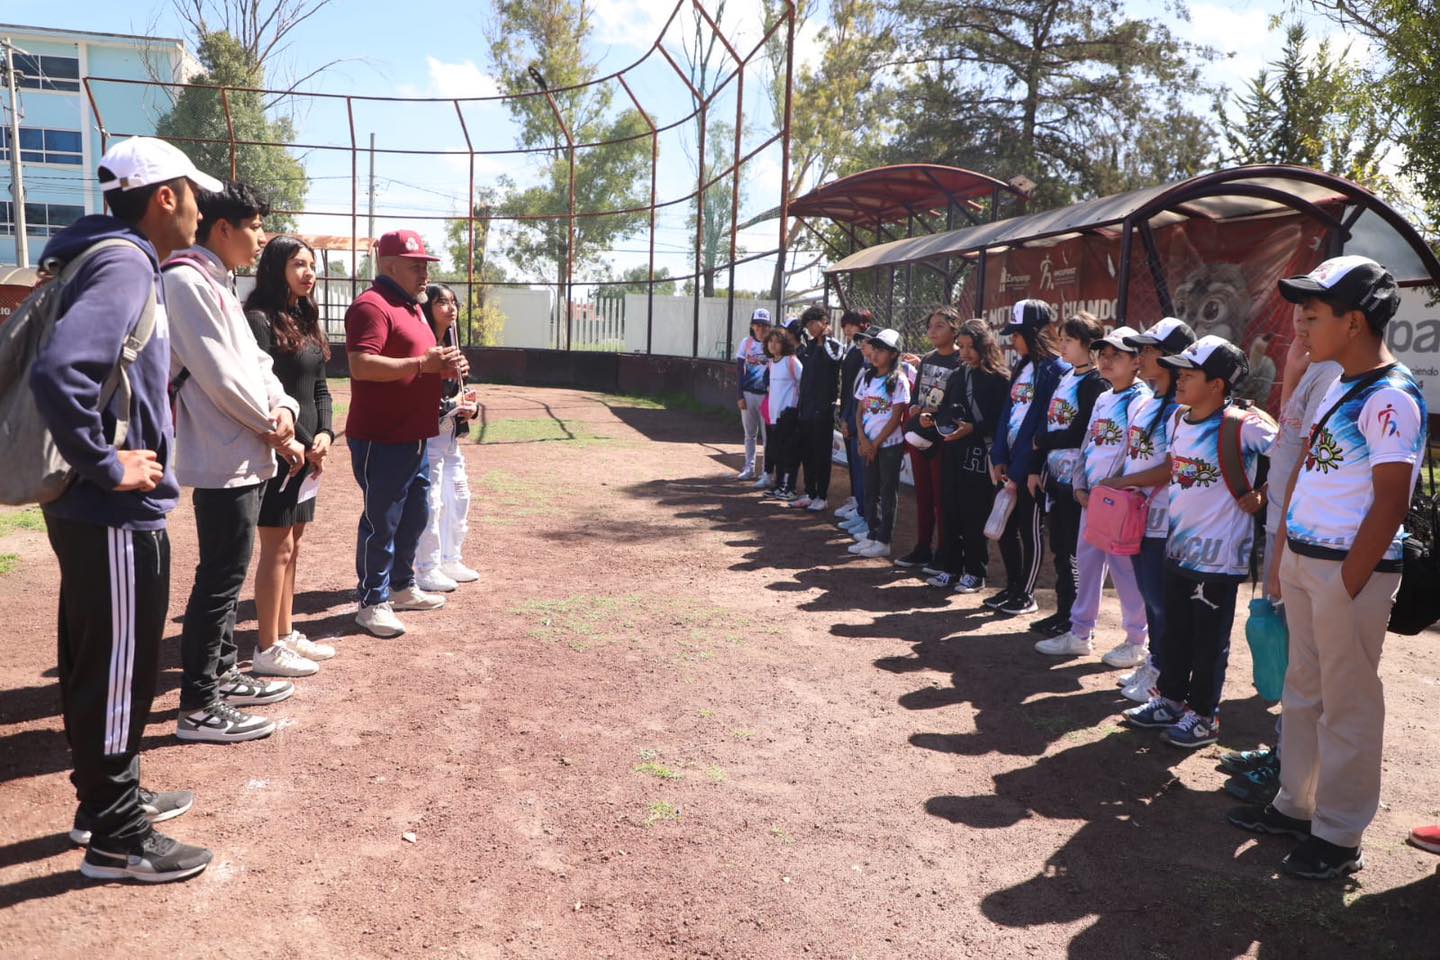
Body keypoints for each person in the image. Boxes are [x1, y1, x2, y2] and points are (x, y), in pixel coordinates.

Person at [30, 135, 217, 881]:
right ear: (162, 196)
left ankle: (104, 803)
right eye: (193, 195)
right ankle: (117, 837)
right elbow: (60, 373)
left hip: (91, 509)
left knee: (95, 656)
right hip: (111, 512)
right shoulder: (125, 260)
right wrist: (106, 464)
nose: (201, 210)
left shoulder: (104, 254)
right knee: (117, 669)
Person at [1230, 256, 1427, 881]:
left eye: (1312, 318)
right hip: (1308, 564)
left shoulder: (1391, 396)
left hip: (1350, 574)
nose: (1300, 331)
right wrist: (1287, 552)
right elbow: (1313, 474)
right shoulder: (1338, 382)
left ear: (1355, 320)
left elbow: (1392, 501)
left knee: (1347, 706)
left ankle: (1340, 837)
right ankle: (1297, 805)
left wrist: (1347, 584)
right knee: (1303, 693)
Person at [167, 180, 305, 740]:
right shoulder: (185, 281)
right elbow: (219, 377)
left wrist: (285, 405)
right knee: (219, 580)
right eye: (251, 227)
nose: (258, 238)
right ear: (221, 229)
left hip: (243, 451)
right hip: (222, 454)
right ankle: (198, 705)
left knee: (225, 572)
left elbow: (256, 364)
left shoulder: (216, 281)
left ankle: (222, 674)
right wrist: (277, 430)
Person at [1120, 335, 1276, 749]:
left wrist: (1263, 493)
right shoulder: (1177, 418)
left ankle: (1204, 716)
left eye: (1189, 375)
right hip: (1178, 549)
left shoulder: (1244, 425)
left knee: (1208, 642)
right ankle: (1170, 701)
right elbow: (1174, 465)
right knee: (1174, 633)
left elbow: (1293, 455)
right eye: (1180, 373)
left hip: (1220, 558)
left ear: (1218, 385)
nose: (1180, 380)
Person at [345, 230, 468, 638]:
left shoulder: (413, 307)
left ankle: (400, 586)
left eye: (425, 266)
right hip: (381, 436)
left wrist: (443, 369)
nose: (423, 273)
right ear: (388, 264)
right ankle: (372, 601)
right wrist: (421, 364)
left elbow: (421, 362)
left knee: (416, 514)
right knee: (383, 521)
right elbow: (362, 365)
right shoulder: (371, 305)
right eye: (416, 265)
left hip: (415, 434)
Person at [244, 236, 338, 673]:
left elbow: (319, 387)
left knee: (294, 544)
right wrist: (300, 440)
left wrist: (325, 433)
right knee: (276, 548)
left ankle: (285, 633)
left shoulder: (305, 317)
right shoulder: (258, 320)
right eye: (299, 264)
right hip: (281, 450)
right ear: (276, 267)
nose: (308, 272)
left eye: (312, 265)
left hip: (308, 453)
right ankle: (267, 648)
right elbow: (266, 392)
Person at [1037, 326, 1152, 664]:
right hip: (1092, 497)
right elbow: (1088, 445)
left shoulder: (1140, 399)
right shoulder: (1104, 396)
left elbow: (1132, 451)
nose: (1106, 359)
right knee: (1086, 565)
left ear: (1137, 362)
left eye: (1117, 354)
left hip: (1120, 501)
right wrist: (1078, 484)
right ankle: (1080, 632)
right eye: (1103, 353)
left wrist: (1110, 487)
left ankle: (1136, 640)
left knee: (1124, 571)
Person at [1104, 317, 1197, 703]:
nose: (1141, 356)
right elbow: (1133, 456)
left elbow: (1175, 464)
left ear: (1173, 358)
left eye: (1148, 349)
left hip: (1166, 522)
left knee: (1162, 601)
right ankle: (1156, 663)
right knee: (1150, 596)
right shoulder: (1146, 402)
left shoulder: (1182, 408)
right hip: (1139, 518)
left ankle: (1166, 673)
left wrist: (1125, 483)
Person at [988, 299, 1069, 616]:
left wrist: (1023, 467)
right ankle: (1011, 586)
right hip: (1007, 462)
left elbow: (1043, 424)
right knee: (1005, 527)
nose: (1013, 340)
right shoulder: (1022, 366)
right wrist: (998, 457)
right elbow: (1007, 415)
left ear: (1035, 333)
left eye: (1018, 334)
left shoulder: (1056, 370)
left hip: (1032, 467)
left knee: (1028, 528)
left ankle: (1026, 593)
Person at [1027, 313, 1105, 635]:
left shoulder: (1095, 383)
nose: (1063, 345)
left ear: (1089, 345)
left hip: (1077, 481)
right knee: (1060, 546)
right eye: (1061, 338)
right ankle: (1062, 612)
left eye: (1069, 340)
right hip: (1056, 477)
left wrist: (1042, 441)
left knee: (1074, 551)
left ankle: (1077, 617)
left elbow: (1078, 432)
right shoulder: (1067, 377)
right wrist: (1037, 464)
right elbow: (1051, 421)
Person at [926, 318, 1009, 591]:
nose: (964, 353)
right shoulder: (957, 375)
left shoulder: (999, 379)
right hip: (953, 450)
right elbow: (949, 407)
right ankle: (950, 566)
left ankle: (975, 571)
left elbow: (1003, 421)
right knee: (950, 510)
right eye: (961, 347)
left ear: (984, 346)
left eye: (970, 347)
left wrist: (974, 428)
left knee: (975, 514)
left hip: (980, 454)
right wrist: (935, 419)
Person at [414, 283, 480, 593]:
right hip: (427, 440)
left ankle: (451, 558)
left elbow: (462, 394)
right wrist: (451, 405)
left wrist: (471, 407)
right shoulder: (424, 349)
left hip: (450, 438)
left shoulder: (453, 346)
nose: (451, 308)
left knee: (460, 495)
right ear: (428, 308)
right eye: (442, 302)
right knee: (433, 501)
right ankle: (426, 566)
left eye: (453, 302)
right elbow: (418, 396)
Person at [896, 308, 963, 572]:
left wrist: (936, 418)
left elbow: (959, 404)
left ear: (954, 330)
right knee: (923, 496)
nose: (932, 331)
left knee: (942, 498)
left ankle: (943, 553)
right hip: (919, 435)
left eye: (940, 326)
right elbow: (917, 394)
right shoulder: (927, 359)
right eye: (930, 326)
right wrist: (915, 408)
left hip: (944, 440)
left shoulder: (961, 360)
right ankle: (922, 548)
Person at [848, 328, 912, 559]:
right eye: (874, 349)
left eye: (882, 350)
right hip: (869, 445)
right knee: (870, 490)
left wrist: (875, 444)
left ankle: (884, 540)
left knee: (887, 492)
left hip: (889, 446)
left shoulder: (898, 380)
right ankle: (872, 534)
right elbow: (859, 411)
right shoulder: (867, 377)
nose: (875, 355)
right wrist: (864, 440)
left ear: (894, 354)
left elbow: (896, 417)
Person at [790, 305, 846, 512]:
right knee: (807, 452)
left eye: (815, 323)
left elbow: (834, 359)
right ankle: (810, 492)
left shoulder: (834, 345)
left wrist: (824, 341)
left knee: (821, 454)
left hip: (823, 409)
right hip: (806, 408)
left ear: (825, 322)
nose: (812, 328)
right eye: (808, 324)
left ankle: (822, 496)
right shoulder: (809, 346)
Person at [834, 310, 872, 521]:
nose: (848, 329)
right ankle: (856, 501)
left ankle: (862, 507)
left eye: (853, 324)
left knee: (861, 466)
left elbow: (858, 393)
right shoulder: (851, 349)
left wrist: (849, 417)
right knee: (853, 462)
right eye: (845, 325)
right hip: (848, 410)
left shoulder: (863, 354)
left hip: (858, 416)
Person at [761, 326, 804, 501]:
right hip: (773, 415)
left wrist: (794, 408)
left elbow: (803, 384)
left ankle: (790, 488)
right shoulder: (771, 363)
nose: (773, 345)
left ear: (784, 343)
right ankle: (778, 486)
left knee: (789, 453)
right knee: (775, 452)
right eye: (770, 341)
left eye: (777, 342)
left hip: (788, 415)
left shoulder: (791, 361)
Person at [735, 308, 772, 481]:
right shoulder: (746, 343)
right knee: (749, 434)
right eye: (757, 325)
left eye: (764, 325)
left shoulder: (773, 344)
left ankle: (766, 472)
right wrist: (739, 395)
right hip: (748, 394)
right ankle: (749, 468)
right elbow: (739, 371)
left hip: (767, 396)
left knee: (767, 437)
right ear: (752, 326)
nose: (761, 329)